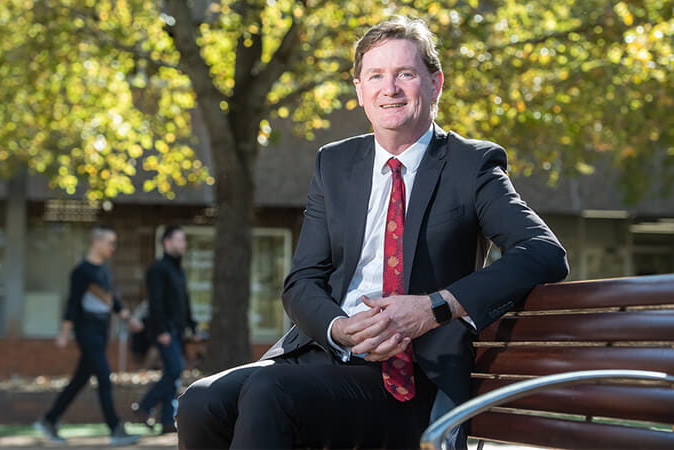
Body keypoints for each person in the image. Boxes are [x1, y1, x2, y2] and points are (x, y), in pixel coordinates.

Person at [177, 15, 569, 450]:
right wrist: (339, 328)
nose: (391, 88)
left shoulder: (471, 165)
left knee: (272, 392)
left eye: (405, 74)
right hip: (328, 352)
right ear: (360, 90)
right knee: (201, 400)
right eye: (376, 76)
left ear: (435, 84)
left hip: (411, 376)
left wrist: (434, 307)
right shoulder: (335, 163)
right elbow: (302, 281)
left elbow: (543, 252)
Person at [34, 225, 141, 446]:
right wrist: (64, 333)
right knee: (103, 375)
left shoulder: (105, 270)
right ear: (97, 242)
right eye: (110, 242)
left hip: (102, 332)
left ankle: (49, 420)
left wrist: (130, 320)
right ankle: (115, 428)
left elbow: (114, 302)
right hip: (87, 332)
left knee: (80, 379)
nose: (113, 247)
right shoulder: (81, 271)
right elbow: (72, 304)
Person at [132, 225, 197, 434]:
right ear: (167, 243)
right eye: (179, 240)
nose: (183, 244)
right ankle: (144, 406)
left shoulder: (178, 270)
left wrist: (192, 326)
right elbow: (155, 302)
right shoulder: (157, 269)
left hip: (176, 330)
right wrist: (161, 331)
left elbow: (184, 303)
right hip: (163, 329)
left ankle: (168, 421)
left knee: (173, 373)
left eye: (184, 240)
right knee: (175, 369)